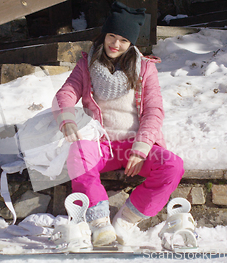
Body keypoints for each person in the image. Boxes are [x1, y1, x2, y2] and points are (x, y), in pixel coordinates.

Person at [52, 1, 184, 247]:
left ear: (131, 43)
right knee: (79, 153)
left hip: (134, 147)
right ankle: (99, 223)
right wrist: (66, 118)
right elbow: (66, 93)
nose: (116, 44)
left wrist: (142, 148)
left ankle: (126, 219)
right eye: (112, 36)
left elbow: (154, 111)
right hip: (102, 145)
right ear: (104, 35)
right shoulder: (87, 64)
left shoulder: (145, 68)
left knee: (172, 167)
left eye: (123, 40)